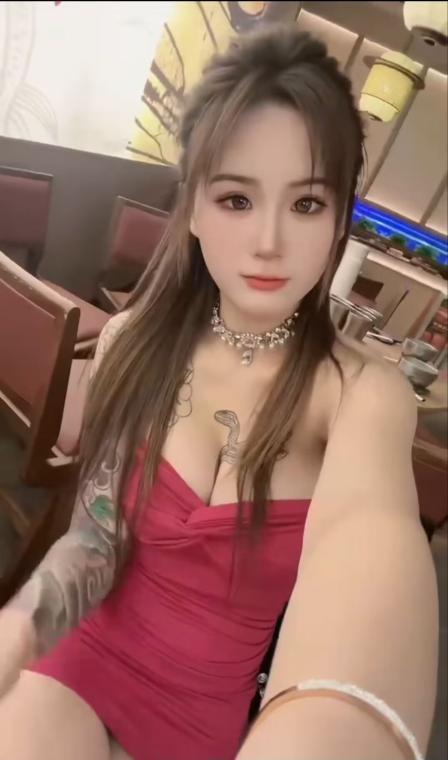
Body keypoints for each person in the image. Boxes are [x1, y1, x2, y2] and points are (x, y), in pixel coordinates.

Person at [0, 24, 438, 760]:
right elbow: (99, 537)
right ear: (196, 209)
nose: (269, 240)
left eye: (306, 204)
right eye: (237, 199)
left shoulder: (362, 397)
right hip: (86, 654)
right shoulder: (130, 342)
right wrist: (19, 626)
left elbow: (369, 553)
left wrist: (342, 724)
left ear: (339, 221)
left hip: (205, 718)